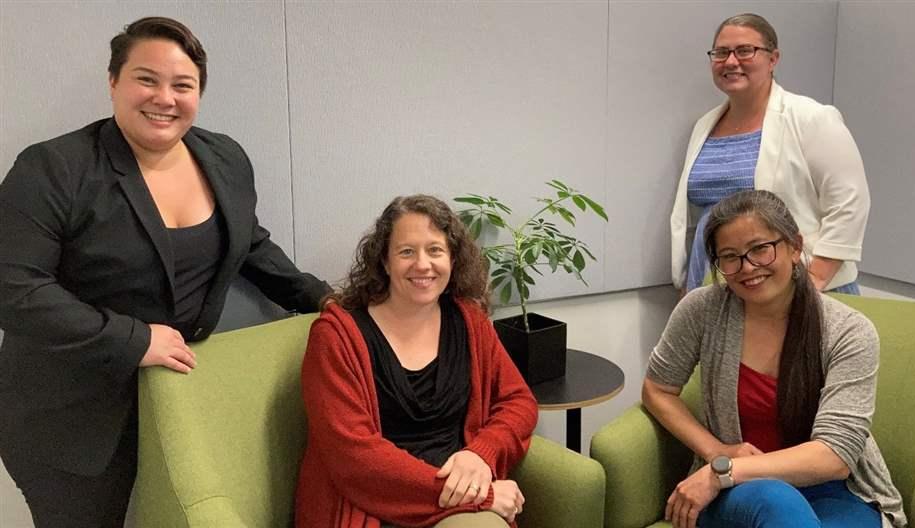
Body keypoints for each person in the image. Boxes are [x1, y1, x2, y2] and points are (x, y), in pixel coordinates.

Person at [0, 16, 331, 527]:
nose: (164, 97)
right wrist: (132, 340)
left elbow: (249, 243)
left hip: (181, 402)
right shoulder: (54, 168)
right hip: (70, 419)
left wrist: (323, 299)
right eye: (145, 79)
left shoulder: (223, 157)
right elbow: (14, 290)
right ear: (113, 81)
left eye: (183, 85)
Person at [645, 190, 905, 528]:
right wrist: (715, 454)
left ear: (794, 247)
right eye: (730, 256)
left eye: (760, 249)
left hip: (831, 491)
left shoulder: (849, 332)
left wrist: (721, 472)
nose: (747, 267)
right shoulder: (702, 310)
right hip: (738, 492)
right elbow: (657, 389)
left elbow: (835, 456)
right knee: (774, 501)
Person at [295, 195, 538, 528]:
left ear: (453, 259)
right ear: (384, 260)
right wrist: (482, 496)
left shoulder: (470, 321)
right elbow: (354, 459)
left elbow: (519, 402)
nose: (422, 265)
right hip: (373, 505)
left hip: (457, 493)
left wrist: (482, 452)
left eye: (435, 250)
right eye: (406, 251)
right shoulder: (335, 337)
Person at [671, 13, 869, 296]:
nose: (730, 61)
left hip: (799, 287)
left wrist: (813, 280)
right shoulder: (705, 126)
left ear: (773, 58)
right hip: (720, 282)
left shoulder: (811, 117)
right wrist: (688, 282)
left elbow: (850, 202)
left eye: (745, 50)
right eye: (721, 52)